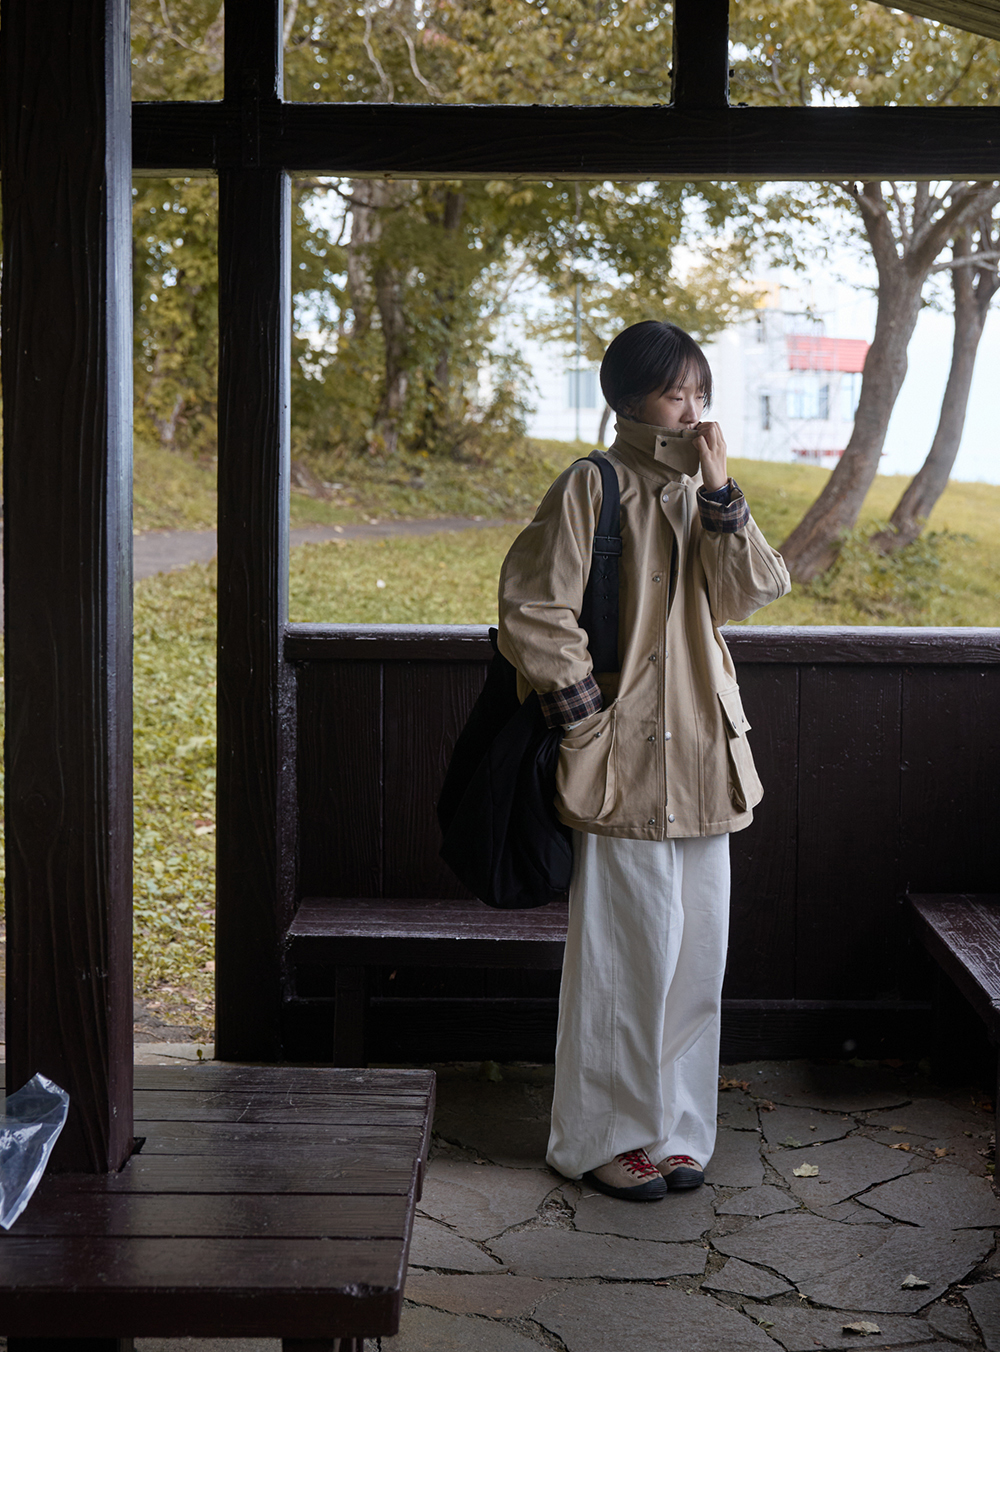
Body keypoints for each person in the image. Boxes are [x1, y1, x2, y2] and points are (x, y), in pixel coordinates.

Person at [497, 320, 791, 1201]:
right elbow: (532, 608)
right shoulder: (591, 483)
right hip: (622, 759)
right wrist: (588, 721)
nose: (693, 409)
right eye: (675, 393)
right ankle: (601, 1139)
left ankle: (676, 1131)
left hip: (706, 754)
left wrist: (722, 491)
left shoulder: (706, 492)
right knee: (624, 960)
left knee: (696, 959)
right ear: (630, 398)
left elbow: (753, 589)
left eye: (701, 392)